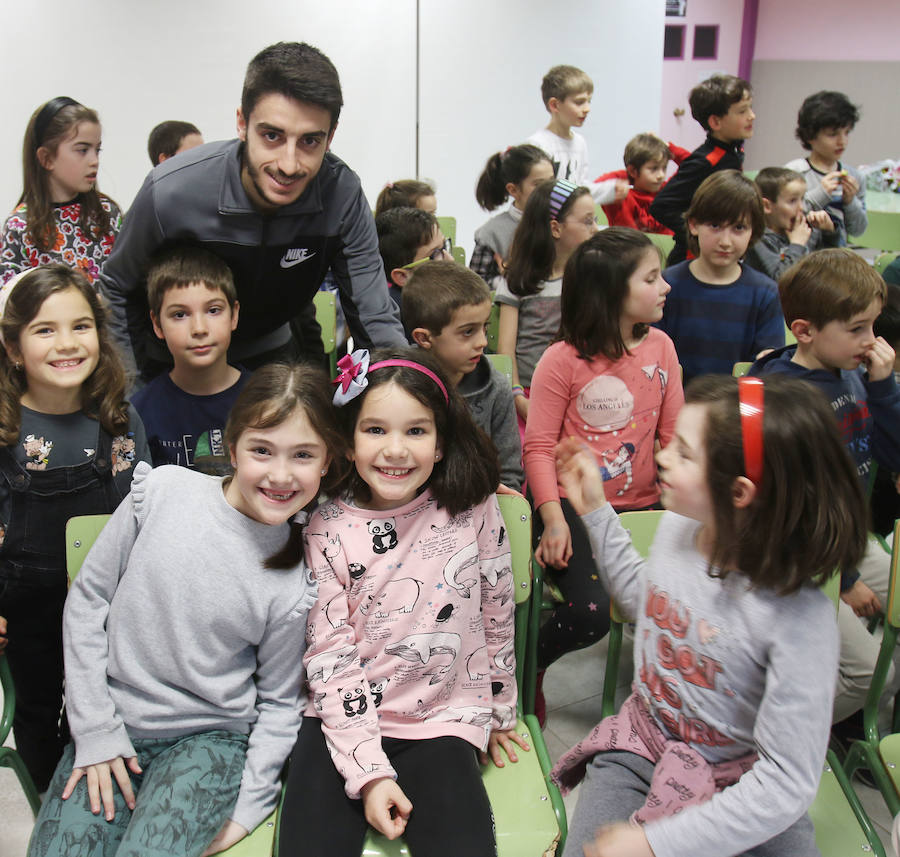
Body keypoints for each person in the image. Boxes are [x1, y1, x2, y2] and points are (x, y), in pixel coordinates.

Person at [28, 363, 345, 857]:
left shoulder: (293, 580)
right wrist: (92, 730)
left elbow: (279, 704)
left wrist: (248, 809)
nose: (281, 474)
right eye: (262, 450)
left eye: (303, 455)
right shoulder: (161, 491)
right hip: (112, 724)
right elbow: (88, 601)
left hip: (209, 743)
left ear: (327, 462)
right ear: (232, 445)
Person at [553, 373, 868, 857]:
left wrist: (656, 844)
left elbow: (785, 784)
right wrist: (596, 509)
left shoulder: (800, 622)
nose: (661, 456)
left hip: (740, 777)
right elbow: (646, 603)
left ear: (739, 493)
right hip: (642, 745)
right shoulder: (680, 526)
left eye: (683, 452)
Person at [278, 347, 526, 857]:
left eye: (416, 431)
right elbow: (329, 655)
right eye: (375, 431)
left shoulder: (471, 506)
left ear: (440, 443)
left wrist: (500, 711)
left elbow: (497, 609)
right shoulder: (324, 527)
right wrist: (370, 774)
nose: (396, 450)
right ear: (347, 442)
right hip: (337, 720)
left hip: (441, 718)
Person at [98, 41, 405, 382]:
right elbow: (118, 289)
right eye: (272, 135)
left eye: (310, 141)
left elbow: (374, 318)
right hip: (170, 365)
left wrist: (406, 397)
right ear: (242, 123)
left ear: (330, 137)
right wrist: (127, 392)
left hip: (271, 356)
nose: (289, 165)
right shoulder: (170, 192)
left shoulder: (342, 195)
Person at [0, 265, 149, 794]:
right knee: (39, 717)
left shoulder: (119, 420)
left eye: (80, 326)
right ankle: (53, 803)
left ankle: (100, 790)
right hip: (26, 610)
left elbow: (142, 513)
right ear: (14, 348)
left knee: (107, 707)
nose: (66, 343)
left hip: (110, 606)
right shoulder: (5, 429)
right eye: (45, 330)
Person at [749, 249, 900, 724]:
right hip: (797, 554)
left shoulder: (856, 374)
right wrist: (847, 583)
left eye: (873, 326)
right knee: (871, 673)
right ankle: (753, 741)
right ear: (804, 330)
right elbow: (781, 503)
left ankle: (849, 727)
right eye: (857, 329)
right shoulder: (777, 392)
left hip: (845, 541)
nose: (871, 341)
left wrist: (885, 388)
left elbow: (894, 456)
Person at [524, 228, 683, 674]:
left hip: (644, 504)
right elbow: (537, 448)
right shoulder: (561, 359)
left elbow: (672, 437)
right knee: (589, 613)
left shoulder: (661, 347)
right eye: (651, 278)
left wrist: (681, 507)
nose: (665, 286)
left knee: (679, 601)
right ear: (610, 293)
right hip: (572, 508)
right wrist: (553, 519)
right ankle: (523, 669)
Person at [403, 259, 524, 492]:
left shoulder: (496, 389)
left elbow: (509, 475)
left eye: (485, 328)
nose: (482, 342)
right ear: (424, 338)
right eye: (468, 332)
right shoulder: (398, 388)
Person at [131, 245, 250, 472]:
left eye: (213, 310)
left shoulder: (266, 400)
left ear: (234, 315)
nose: (199, 329)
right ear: (157, 324)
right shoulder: (141, 412)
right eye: (180, 314)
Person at [655, 170, 783, 383]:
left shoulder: (765, 293)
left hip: (735, 409)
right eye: (715, 226)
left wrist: (769, 359)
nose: (725, 241)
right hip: (676, 409)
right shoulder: (666, 285)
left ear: (754, 231)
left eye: (739, 228)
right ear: (694, 225)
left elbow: (766, 363)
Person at [495, 178, 596, 427]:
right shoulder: (518, 280)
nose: (596, 228)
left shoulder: (593, 277)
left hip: (582, 393)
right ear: (556, 228)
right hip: (528, 394)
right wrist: (519, 398)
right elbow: (506, 351)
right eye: (587, 221)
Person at [0, 98, 121, 286]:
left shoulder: (106, 214)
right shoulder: (21, 227)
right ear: (46, 158)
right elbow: (11, 301)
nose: (94, 160)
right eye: (82, 150)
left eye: (97, 150)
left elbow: (126, 284)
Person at [650, 74, 754, 265]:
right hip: (689, 261)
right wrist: (699, 234)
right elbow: (661, 206)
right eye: (742, 111)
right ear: (715, 122)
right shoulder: (706, 161)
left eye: (750, 108)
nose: (751, 116)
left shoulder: (733, 150)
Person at [527, 65, 625, 206]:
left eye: (589, 101)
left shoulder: (579, 143)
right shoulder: (537, 144)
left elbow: (578, 187)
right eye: (579, 102)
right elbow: (533, 195)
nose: (587, 109)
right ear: (555, 105)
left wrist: (610, 190)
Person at [785, 90, 867, 244]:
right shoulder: (795, 172)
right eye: (832, 134)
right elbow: (785, 219)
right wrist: (821, 194)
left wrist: (850, 202)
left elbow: (858, 230)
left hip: (836, 257)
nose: (842, 141)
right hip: (801, 256)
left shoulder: (855, 177)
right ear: (810, 136)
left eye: (847, 133)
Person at [470, 144, 554, 285]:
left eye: (552, 181)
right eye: (539, 184)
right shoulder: (491, 234)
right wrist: (509, 281)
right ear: (513, 190)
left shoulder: (565, 221)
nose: (549, 190)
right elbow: (474, 289)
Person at [745, 167, 840, 280]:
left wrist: (829, 231)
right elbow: (781, 281)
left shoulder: (806, 229)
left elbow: (833, 268)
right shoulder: (758, 240)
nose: (802, 208)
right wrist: (797, 245)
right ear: (767, 206)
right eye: (792, 201)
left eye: (803, 199)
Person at [595, 133, 690, 234]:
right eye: (654, 169)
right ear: (633, 171)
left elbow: (692, 166)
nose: (661, 175)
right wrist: (630, 175)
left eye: (664, 168)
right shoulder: (622, 197)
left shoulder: (667, 192)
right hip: (630, 248)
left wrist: (668, 147)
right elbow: (598, 186)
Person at [374, 207, 450, 315]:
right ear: (402, 276)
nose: (450, 259)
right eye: (435, 254)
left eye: (445, 246)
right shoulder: (413, 319)